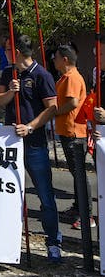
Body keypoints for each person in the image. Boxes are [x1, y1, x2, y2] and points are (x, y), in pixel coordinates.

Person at [0, 34, 61, 262]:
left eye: (7, 48)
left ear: (18, 50)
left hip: (34, 143)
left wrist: (30, 127)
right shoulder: (7, 73)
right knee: (9, 194)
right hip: (9, 144)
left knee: (45, 194)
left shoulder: (42, 75)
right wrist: (11, 92)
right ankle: (9, 240)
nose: (5, 52)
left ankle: (53, 243)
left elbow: (52, 107)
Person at [52, 44, 93, 230]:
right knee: (76, 175)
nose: (54, 60)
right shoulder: (66, 77)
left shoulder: (72, 78)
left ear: (65, 59)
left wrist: (55, 113)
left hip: (74, 132)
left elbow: (73, 103)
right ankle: (78, 208)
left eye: (56, 57)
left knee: (79, 175)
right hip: (68, 131)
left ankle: (87, 215)